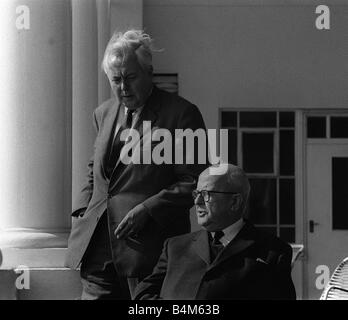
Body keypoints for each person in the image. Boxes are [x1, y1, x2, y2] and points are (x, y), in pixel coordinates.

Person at [65, 30, 207, 299]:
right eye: (116, 80)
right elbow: (94, 173)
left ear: (149, 72)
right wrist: (81, 212)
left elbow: (194, 181)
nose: (123, 88)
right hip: (97, 251)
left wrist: (147, 209)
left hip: (150, 255)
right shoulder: (103, 113)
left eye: (130, 78)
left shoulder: (181, 114)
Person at [134, 164, 296, 300]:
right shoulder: (175, 247)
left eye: (206, 195)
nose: (197, 202)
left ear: (234, 201)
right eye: (196, 194)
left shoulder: (272, 252)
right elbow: (143, 294)